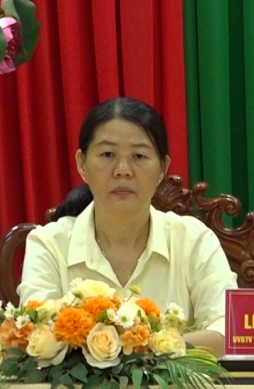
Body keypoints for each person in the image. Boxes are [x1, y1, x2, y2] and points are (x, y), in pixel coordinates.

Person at [17, 97, 237, 357]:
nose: (123, 170)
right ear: (82, 164)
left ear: (163, 168)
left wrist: (137, 348)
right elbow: (36, 333)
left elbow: (228, 329)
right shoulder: (49, 244)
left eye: (139, 156)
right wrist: (148, 348)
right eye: (107, 155)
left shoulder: (194, 240)